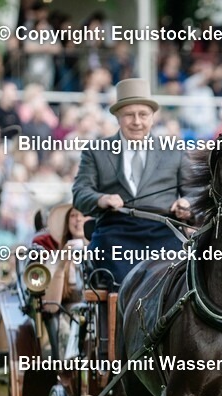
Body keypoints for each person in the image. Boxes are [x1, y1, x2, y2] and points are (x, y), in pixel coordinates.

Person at [72, 78, 191, 289]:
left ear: (152, 118)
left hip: (163, 230)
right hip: (115, 232)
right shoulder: (96, 151)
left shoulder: (174, 150)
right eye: (129, 115)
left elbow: (197, 192)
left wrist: (187, 205)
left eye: (143, 115)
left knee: (182, 278)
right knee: (112, 275)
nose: (137, 121)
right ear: (118, 117)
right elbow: (80, 193)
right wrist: (102, 199)